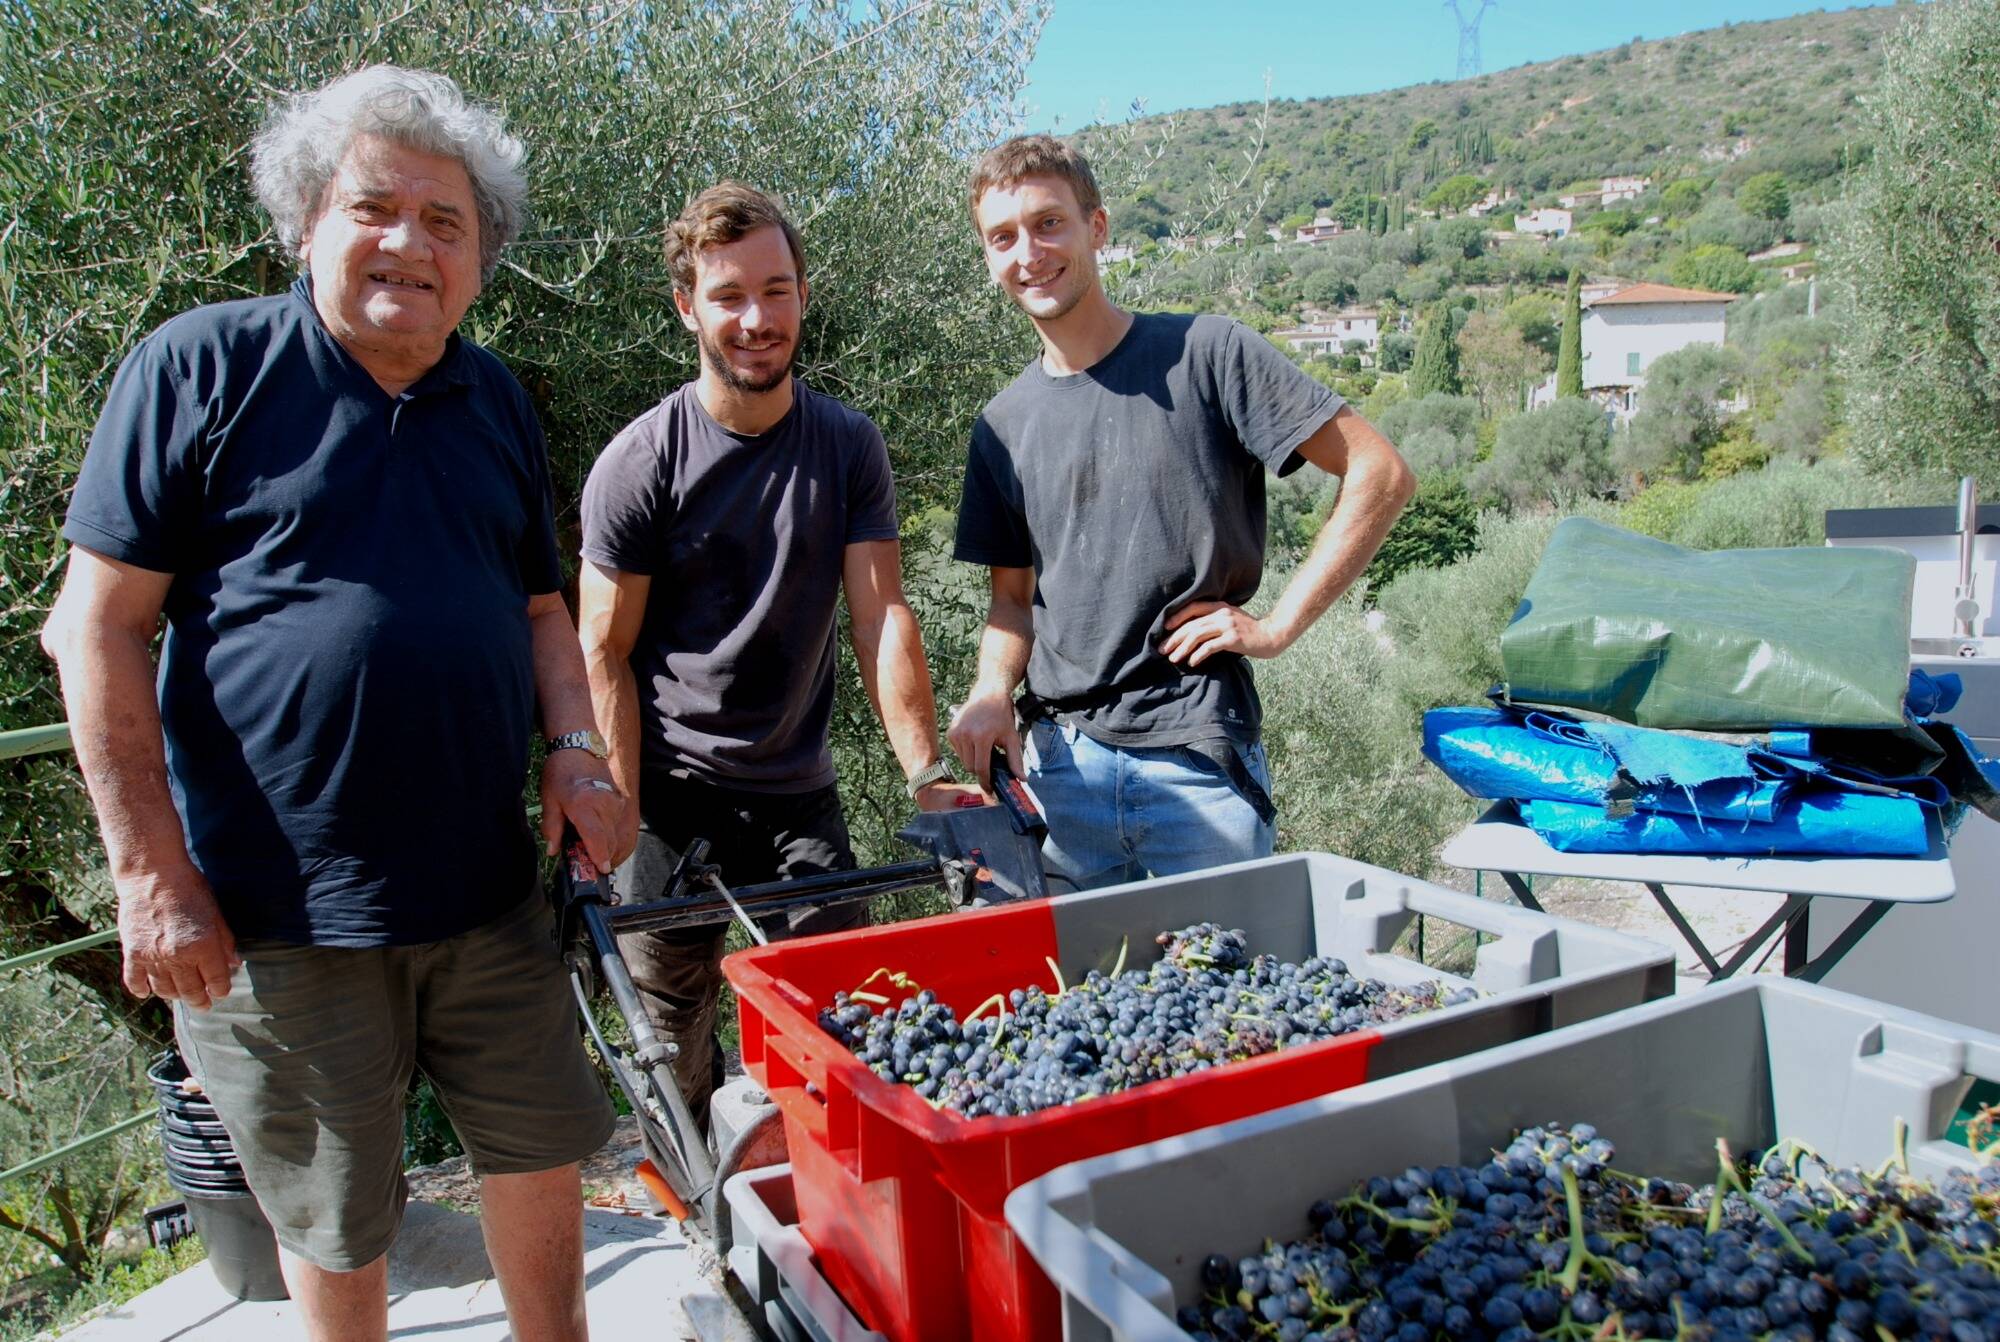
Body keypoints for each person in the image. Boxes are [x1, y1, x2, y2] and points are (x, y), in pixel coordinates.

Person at [41, 66, 620, 1342]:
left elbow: (541, 613)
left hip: (489, 893)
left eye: (445, 222)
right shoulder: (203, 367)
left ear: (480, 262)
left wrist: (578, 752)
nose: (411, 241)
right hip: (280, 914)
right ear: (307, 222)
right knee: (334, 1217)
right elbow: (95, 626)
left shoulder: (494, 399)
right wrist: (148, 874)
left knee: (539, 1152)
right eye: (375, 207)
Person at [577, 182, 980, 1129]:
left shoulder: (846, 446)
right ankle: (699, 1194)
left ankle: (830, 1192)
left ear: (803, 293)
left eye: (776, 290)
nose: (757, 320)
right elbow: (602, 648)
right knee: (669, 1045)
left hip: (798, 789)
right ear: (687, 307)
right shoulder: (640, 463)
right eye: (729, 296)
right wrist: (614, 811)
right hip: (670, 798)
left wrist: (927, 774)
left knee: (847, 1019)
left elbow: (881, 617)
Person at [947, 135, 1416, 891]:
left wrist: (1278, 625)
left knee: (1226, 972)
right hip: (1060, 773)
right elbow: (1011, 600)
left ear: (1097, 227)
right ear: (988, 257)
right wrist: (989, 690)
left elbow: (1380, 472)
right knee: (1077, 976)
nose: (1028, 253)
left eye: (1048, 223)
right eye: (1003, 237)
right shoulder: (1003, 424)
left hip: (1197, 762)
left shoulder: (1208, 352)